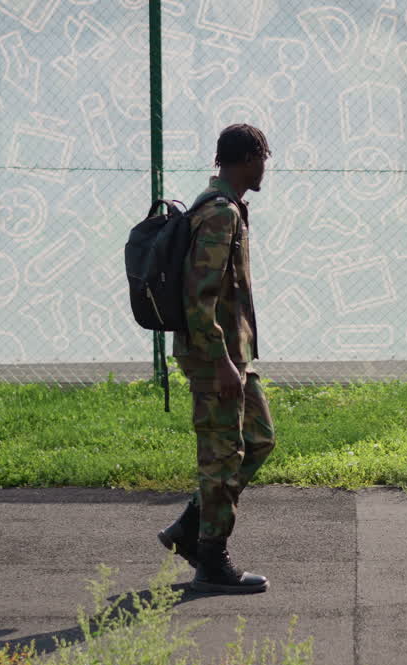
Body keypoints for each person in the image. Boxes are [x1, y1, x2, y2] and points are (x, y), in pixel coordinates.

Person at [157, 124, 275, 594]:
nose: (267, 166)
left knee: (259, 438)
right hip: (216, 356)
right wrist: (223, 360)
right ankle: (211, 560)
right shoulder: (220, 215)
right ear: (249, 158)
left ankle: (190, 526)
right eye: (265, 156)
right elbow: (198, 298)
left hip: (233, 355)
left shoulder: (229, 209)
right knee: (222, 457)